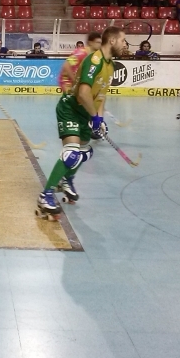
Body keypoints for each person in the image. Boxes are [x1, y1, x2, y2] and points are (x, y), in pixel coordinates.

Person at [36, 28, 123, 218]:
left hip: (85, 113)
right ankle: (46, 195)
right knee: (71, 153)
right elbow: (83, 93)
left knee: (85, 152)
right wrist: (94, 117)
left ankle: (66, 180)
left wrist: (99, 118)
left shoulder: (110, 66)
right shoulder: (95, 60)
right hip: (71, 108)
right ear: (112, 41)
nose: (125, 45)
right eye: (123, 41)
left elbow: (100, 96)